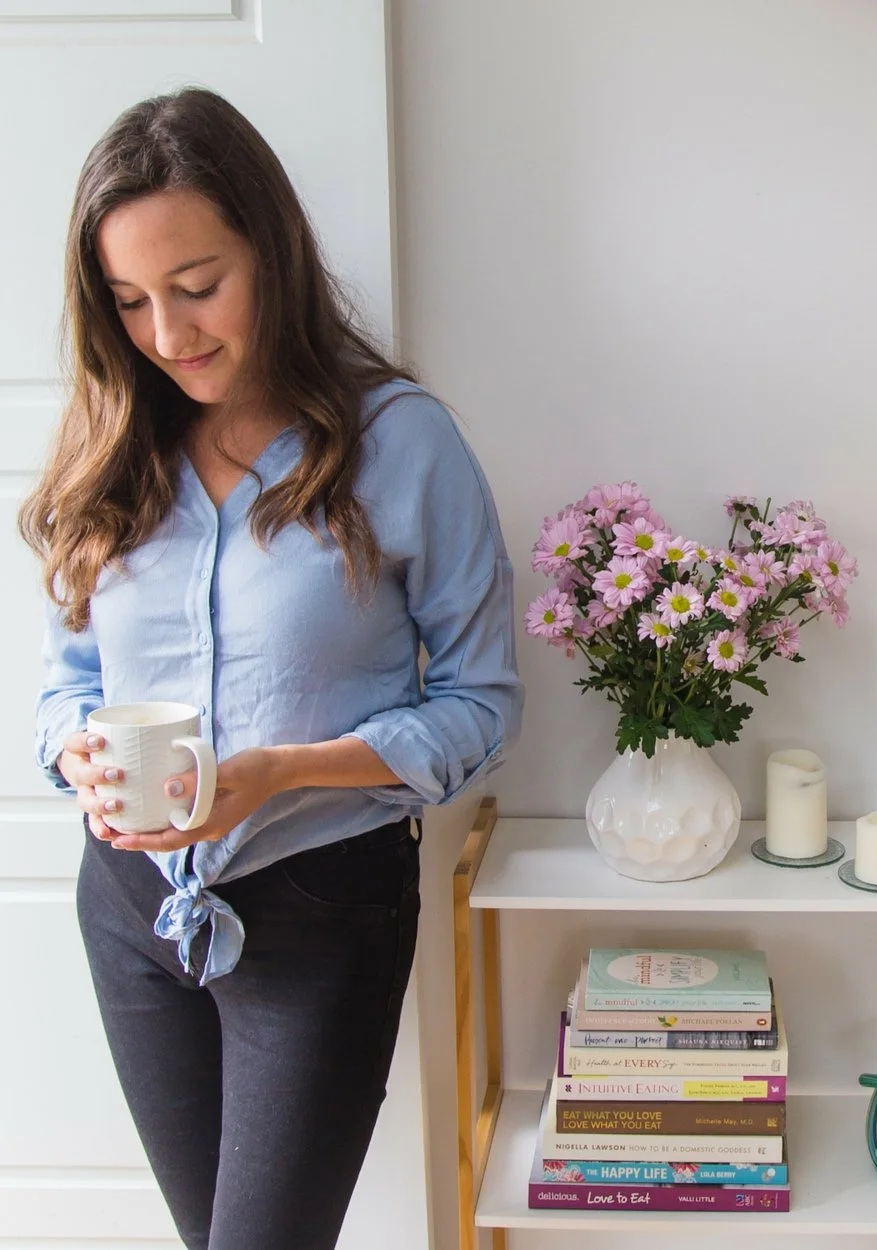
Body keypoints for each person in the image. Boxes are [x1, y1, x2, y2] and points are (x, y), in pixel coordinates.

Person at [21, 87, 523, 1250]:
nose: (168, 333)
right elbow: (63, 681)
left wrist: (285, 770)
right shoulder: (110, 441)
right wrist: (76, 750)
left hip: (318, 908)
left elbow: (482, 704)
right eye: (131, 300)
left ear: (275, 251)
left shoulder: (403, 441)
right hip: (131, 909)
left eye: (198, 287)